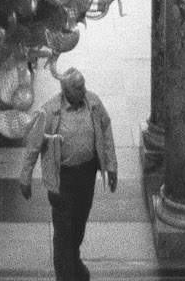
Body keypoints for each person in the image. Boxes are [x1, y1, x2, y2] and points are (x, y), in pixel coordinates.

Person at [19, 68, 118, 281]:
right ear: (65, 90)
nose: (84, 90)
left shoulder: (93, 103)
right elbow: (34, 145)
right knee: (64, 231)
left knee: (79, 224)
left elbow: (106, 129)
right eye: (78, 87)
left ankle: (74, 262)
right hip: (63, 178)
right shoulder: (50, 111)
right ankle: (66, 276)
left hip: (87, 174)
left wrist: (111, 166)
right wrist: (25, 177)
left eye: (83, 85)